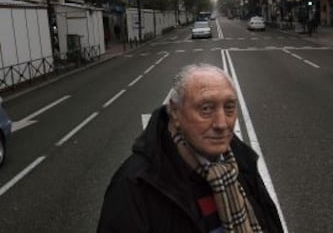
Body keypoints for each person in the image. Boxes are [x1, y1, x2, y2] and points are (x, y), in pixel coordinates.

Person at [97, 63, 283, 233]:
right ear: (176, 112)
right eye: (206, 109)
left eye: (229, 107)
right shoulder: (134, 186)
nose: (222, 123)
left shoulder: (241, 163)